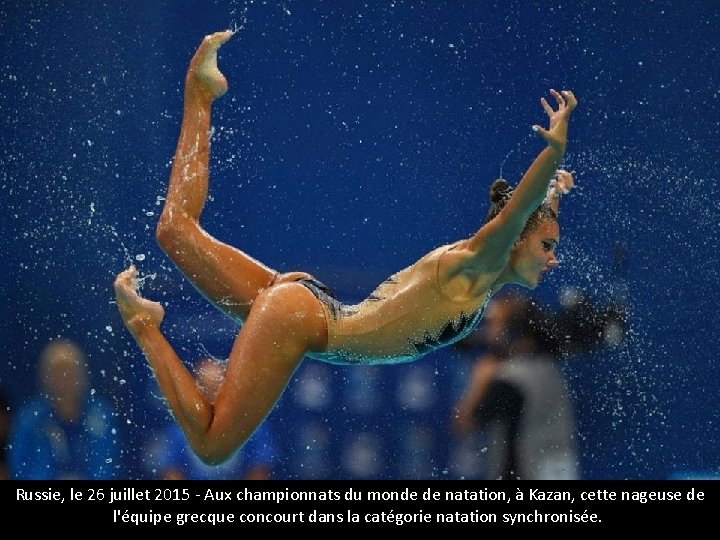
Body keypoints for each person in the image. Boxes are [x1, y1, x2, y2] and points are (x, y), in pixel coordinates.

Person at [113, 30, 578, 465]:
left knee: (175, 230)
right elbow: (517, 214)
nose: (553, 257)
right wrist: (552, 157)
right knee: (213, 447)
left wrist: (554, 191)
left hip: (306, 306)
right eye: (546, 246)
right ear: (514, 240)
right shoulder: (474, 265)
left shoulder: (485, 272)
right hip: (299, 321)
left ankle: (201, 92)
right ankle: (145, 327)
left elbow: (524, 219)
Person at [8, 339, 120, 479]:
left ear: (81, 375)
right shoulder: (30, 418)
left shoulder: (101, 414)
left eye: (69, 372)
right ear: (45, 377)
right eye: (58, 373)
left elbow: (109, 462)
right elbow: (21, 467)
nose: (64, 379)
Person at [152, 357, 277, 480]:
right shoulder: (180, 428)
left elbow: (260, 470)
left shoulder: (250, 424)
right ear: (196, 389)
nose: (212, 394)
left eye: (216, 387)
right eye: (206, 388)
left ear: (227, 388)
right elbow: (171, 473)